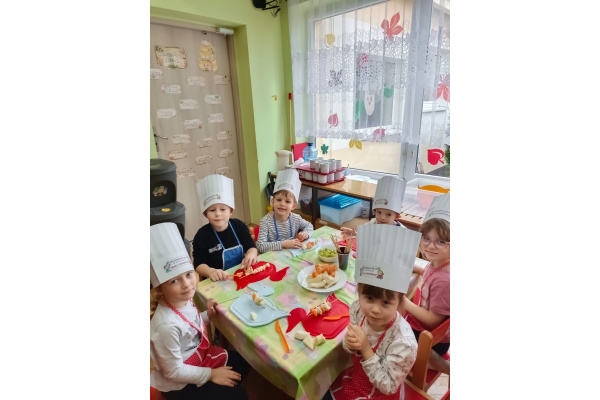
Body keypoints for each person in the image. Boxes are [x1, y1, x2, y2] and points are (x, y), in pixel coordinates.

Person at [150, 223, 251, 400]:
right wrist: (212, 375)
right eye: (174, 281)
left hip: (200, 358)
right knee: (239, 396)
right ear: (160, 288)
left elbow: (189, 327)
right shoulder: (165, 326)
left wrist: (207, 316)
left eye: (188, 274)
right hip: (180, 384)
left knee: (246, 362)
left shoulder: (183, 300)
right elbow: (174, 372)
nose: (186, 284)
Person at [324, 224, 420, 400]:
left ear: (400, 302)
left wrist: (366, 349)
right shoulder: (358, 311)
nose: (375, 310)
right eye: (369, 298)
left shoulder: (404, 343)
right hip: (356, 378)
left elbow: (389, 386)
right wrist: (350, 344)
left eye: (386, 302)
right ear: (359, 293)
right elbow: (351, 347)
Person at [402, 193, 450, 375]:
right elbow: (430, 273)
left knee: (386, 332)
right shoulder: (439, 263)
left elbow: (433, 319)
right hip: (427, 331)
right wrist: (416, 267)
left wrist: (403, 301)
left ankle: (431, 362)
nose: (430, 246)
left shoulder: (445, 280)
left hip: (431, 340)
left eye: (441, 241)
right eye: (426, 238)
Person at [192, 174, 259, 281]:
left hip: (241, 275)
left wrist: (251, 254)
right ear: (205, 214)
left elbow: (251, 247)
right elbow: (198, 264)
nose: (218, 214)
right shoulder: (202, 236)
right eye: (212, 210)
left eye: (223, 209)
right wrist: (210, 271)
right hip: (217, 280)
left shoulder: (239, 226)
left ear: (231, 211)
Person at [256, 169, 314, 253]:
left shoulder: (296, 219)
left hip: (292, 255)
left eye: (287, 201)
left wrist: (305, 233)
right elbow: (260, 246)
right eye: (279, 200)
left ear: (294, 206)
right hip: (273, 258)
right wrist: (284, 244)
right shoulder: (265, 222)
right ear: (272, 202)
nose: (282, 204)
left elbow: (309, 226)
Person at [341, 176, 406, 236]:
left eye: (389, 214)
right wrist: (355, 234)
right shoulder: (372, 223)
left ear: (396, 216)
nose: (382, 217)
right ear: (374, 211)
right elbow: (364, 236)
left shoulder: (401, 231)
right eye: (379, 212)